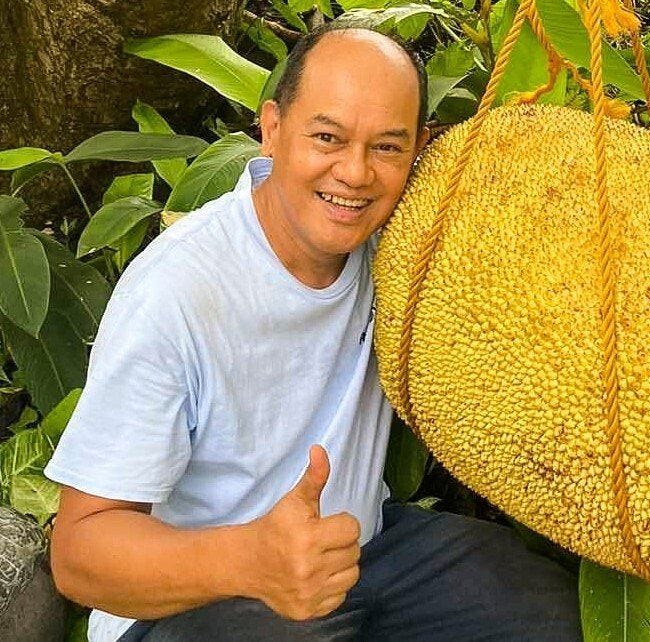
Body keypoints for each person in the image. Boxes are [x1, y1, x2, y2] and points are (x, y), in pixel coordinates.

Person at [45, 25, 581, 642]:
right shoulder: (178, 293)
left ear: (419, 149)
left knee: (544, 613)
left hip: (362, 555)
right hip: (197, 603)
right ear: (271, 127)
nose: (354, 173)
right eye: (327, 137)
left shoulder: (406, 244)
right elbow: (79, 553)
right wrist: (251, 561)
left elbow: (560, 238)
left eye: (386, 147)